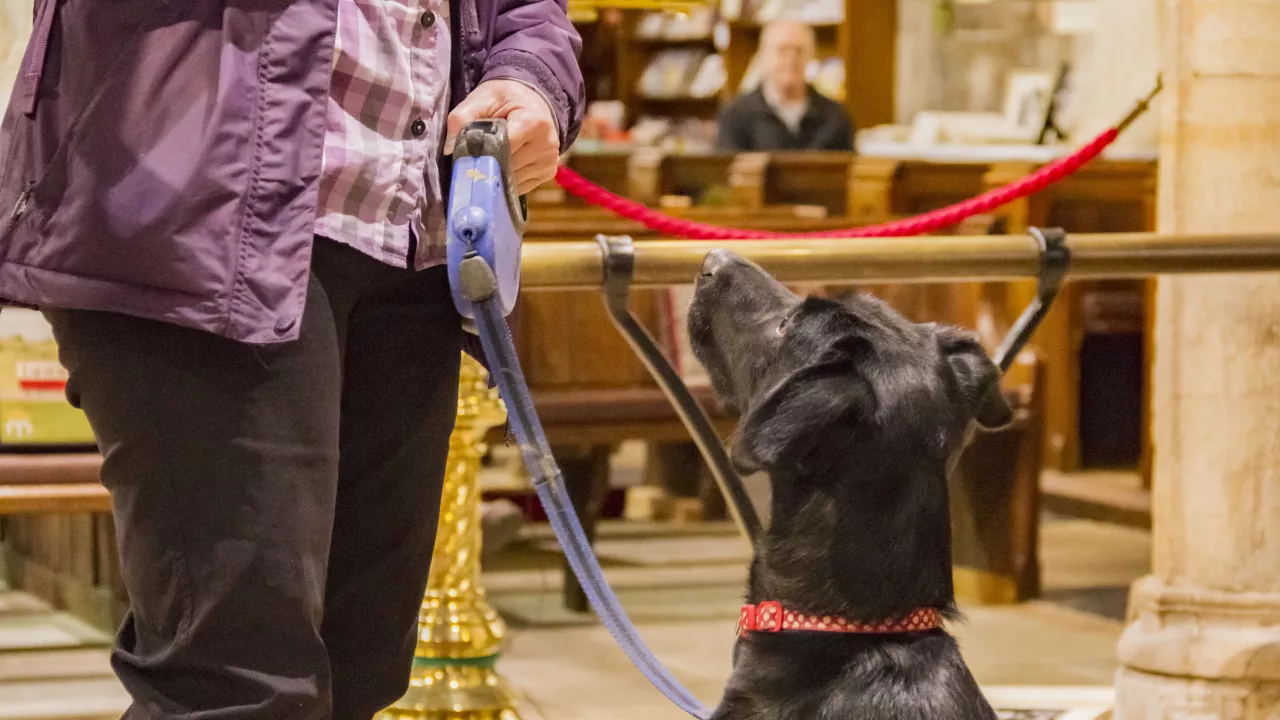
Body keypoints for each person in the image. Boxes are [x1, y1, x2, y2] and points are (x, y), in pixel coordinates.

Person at [0, 1, 582, 718]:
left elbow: (528, 13)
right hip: (200, 222)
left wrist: (529, 81)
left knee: (359, 669)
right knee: (239, 686)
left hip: (411, 238)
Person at [716, 20, 855, 152]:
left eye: (799, 50)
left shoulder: (835, 117)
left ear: (811, 56)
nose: (791, 59)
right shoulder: (736, 116)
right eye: (782, 50)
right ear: (763, 56)